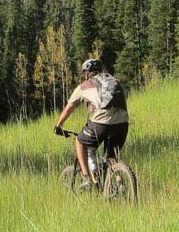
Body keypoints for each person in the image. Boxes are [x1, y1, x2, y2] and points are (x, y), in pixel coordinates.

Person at [54, 58, 129, 190]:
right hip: (123, 123)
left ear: (88, 73)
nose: (84, 75)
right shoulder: (114, 82)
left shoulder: (84, 86)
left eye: (85, 73)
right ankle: (119, 182)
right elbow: (124, 95)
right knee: (111, 159)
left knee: (80, 141)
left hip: (101, 122)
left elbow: (69, 108)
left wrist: (58, 126)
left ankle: (86, 178)